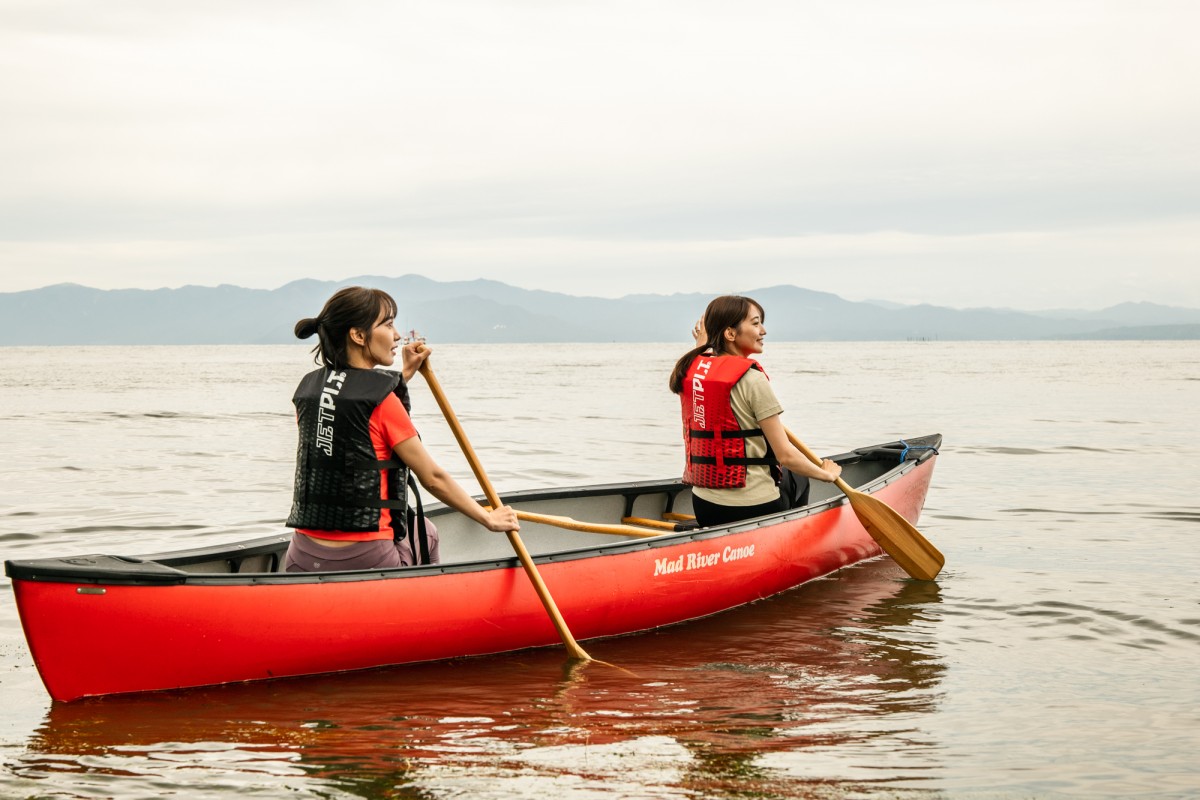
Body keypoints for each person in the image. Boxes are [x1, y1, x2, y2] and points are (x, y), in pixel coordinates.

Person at [284, 286, 518, 572]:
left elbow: (355, 417)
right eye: (388, 324)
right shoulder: (384, 401)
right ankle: (425, 607)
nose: (396, 335)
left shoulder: (308, 392)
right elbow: (432, 478)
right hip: (367, 556)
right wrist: (487, 519)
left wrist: (404, 375)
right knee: (427, 531)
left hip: (301, 555)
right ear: (358, 336)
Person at [669, 294, 842, 528]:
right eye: (755, 323)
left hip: (704, 507)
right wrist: (827, 475)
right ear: (730, 334)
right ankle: (793, 534)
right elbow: (786, 456)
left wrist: (703, 344)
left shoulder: (690, 372)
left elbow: (702, 360)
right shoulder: (753, 379)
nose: (763, 331)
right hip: (752, 510)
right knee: (797, 474)